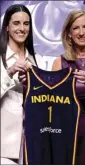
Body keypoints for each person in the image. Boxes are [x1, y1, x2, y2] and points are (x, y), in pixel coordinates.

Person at [52, 10, 85, 165]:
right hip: (71, 132)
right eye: (76, 28)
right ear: (69, 34)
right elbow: (52, 104)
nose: (81, 32)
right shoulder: (59, 62)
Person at [0, 4, 37, 164]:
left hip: (32, 146)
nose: (22, 28)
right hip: (4, 148)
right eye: (16, 23)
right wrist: (9, 72)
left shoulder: (38, 61)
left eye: (26, 23)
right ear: (7, 27)